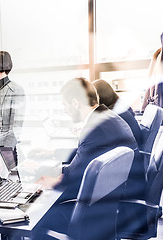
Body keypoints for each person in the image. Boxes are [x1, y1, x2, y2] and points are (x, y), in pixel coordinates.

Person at [32, 78, 141, 240]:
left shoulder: (95, 127)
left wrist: (50, 180)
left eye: (65, 104)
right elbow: (86, 157)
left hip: (97, 211)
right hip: (111, 201)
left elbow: (74, 177)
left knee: (36, 218)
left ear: (75, 103)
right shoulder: (108, 117)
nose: (65, 109)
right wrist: (58, 169)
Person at [92, 79, 142, 146]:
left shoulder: (113, 115)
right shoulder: (120, 107)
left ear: (99, 96)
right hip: (132, 148)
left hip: (129, 152)